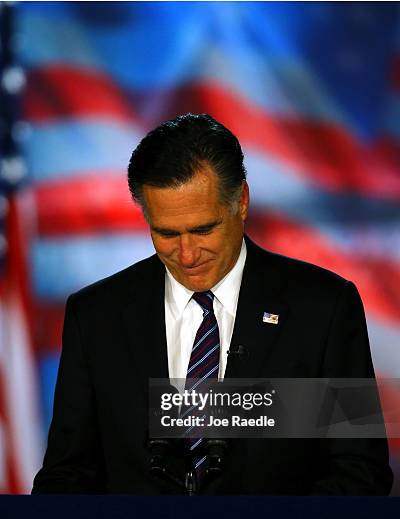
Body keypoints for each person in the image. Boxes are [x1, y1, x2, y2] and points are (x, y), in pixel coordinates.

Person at [32, 113, 393, 495]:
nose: (187, 255)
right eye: (167, 233)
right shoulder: (96, 317)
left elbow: (361, 471)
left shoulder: (323, 308)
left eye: (203, 229)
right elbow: (66, 476)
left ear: (241, 202)